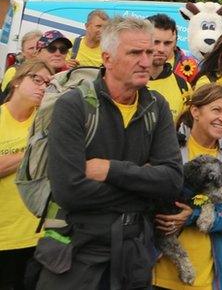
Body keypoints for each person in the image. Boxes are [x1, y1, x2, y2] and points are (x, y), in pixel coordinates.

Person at [38, 15, 182, 289]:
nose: (146, 60)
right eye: (135, 53)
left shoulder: (156, 106)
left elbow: (172, 180)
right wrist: (144, 185)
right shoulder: (74, 105)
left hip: (135, 255)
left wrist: (109, 170)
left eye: (149, 52)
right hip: (77, 255)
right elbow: (69, 190)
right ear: (107, 59)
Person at [152, 83, 222, 290]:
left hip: (204, 278)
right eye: (216, 110)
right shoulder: (168, 148)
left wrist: (193, 215)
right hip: (155, 273)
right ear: (195, 111)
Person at [0, 61, 54, 290]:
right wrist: (32, 153)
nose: (42, 87)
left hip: (37, 236)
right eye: (36, 79)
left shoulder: (47, 122)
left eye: (48, 84)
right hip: (4, 235)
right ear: (17, 81)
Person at [145, 14, 191, 123]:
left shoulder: (183, 87)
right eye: (156, 42)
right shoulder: (126, 82)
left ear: (174, 44)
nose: (161, 49)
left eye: (167, 43)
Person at [0, 30, 43, 96]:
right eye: (31, 48)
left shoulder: (47, 73)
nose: (35, 51)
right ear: (23, 52)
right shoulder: (13, 72)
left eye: (38, 47)